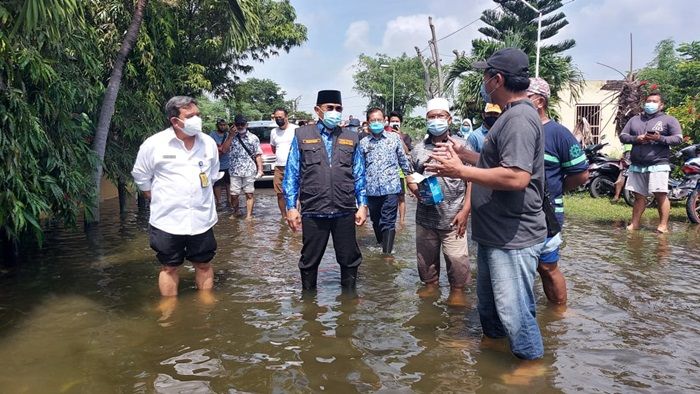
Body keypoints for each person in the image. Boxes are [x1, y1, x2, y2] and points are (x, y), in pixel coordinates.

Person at [427, 48, 547, 360]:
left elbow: (517, 177)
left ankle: (530, 366)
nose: (483, 82)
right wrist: (467, 157)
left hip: (513, 236)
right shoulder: (509, 116)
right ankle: (492, 350)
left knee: (515, 310)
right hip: (495, 232)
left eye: (485, 76)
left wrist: (460, 171)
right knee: (491, 308)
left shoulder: (519, 118)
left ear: (497, 79)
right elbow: (497, 163)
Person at [131, 96, 219, 297]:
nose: (197, 119)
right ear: (175, 121)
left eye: (198, 114)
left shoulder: (208, 143)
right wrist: (160, 199)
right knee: (169, 267)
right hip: (167, 220)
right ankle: (169, 310)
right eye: (190, 116)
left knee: (204, 264)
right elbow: (141, 176)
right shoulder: (155, 144)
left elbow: (212, 176)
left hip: (202, 219)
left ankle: (206, 307)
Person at [283, 90, 368, 291]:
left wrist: (362, 204)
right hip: (314, 208)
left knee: (349, 259)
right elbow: (292, 172)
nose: (334, 112)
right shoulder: (303, 135)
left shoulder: (351, 137)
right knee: (309, 260)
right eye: (329, 108)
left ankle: (348, 308)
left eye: (338, 109)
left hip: (344, 208)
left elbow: (359, 173)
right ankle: (309, 308)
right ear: (317, 110)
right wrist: (291, 207)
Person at [527, 77, 589, 305]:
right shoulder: (518, 128)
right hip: (520, 211)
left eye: (525, 97)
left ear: (540, 101)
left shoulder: (558, 134)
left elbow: (581, 173)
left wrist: (557, 189)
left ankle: (559, 312)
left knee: (547, 265)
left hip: (548, 212)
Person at [406, 97, 472, 307]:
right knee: (426, 261)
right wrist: (416, 190)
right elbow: (411, 176)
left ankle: (458, 291)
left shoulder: (461, 147)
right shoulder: (418, 149)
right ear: (426, 119)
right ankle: (431, 286)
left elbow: (472, 181)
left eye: (440, 116)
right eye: (432, 117)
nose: (436, 120)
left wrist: (466, 211)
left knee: (457, 260)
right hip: (426, 217)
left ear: (449, 119)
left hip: (454, 217)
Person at [619, 91, 683, 233]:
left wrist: (660, 138)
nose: (650, 104)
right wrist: (637, 139)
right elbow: (623, 136)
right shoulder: (635, 119)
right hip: (637, 164)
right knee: (638, 196)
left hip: (658, 163)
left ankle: (663, 225)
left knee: (660, 194)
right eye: (648, 101)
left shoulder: (669, 120)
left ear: (661, 105)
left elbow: (678, 138)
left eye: (654, 101)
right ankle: (634, 224)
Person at [359, 107, 413, 254]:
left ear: (385, 121)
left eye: (379, 120)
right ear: (368, 123)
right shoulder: (363, 143)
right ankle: (381, 243)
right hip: (371, 190)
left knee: (388, 221)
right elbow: (359, 168)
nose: (376, 123)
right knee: (376, 221)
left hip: (391, 188)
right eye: (373, 120)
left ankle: (387, 254)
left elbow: (403, 160)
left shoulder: (394, 138)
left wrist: (411, 180)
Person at [227, 114, 263, 220]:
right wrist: (230, 136)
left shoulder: (253, 138)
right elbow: (223, 150)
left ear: (246, 125)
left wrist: (260, 169)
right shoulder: (230, 137)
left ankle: (249, 216)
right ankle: (236, 211)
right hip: (234, 171)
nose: (240, 126)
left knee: (249, 194)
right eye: (238, 124)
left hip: (249, 170)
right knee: (233, 194)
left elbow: (258, 154)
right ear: (234, 125)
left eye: (242, 124)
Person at [270, 107, 299, 219]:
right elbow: (273, 148)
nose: (278, 119)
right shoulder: (273, 132)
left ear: (286, 117)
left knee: (296, 192)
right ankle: (284, 217)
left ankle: (296, 214)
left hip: (294, 166)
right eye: (276, 118)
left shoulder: (296, 129)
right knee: (279, 193)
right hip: (279, 167)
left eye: (280, 117)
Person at [388, 111, 412, 224]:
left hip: (400, 172)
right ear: (388, 122)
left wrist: (399, 137)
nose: (394, 123)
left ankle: (402, 221)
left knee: (401, 197)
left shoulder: (405, 136)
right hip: (388, 172)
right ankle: (391, 220)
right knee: (389, 197)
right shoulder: (384, 135)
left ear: (400, 123)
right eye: (392, 121)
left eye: (397, 121)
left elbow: (407, 152)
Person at [208, 118, 233, 208]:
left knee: (228, 183)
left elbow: (230, 147)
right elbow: (211, 146)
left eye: (224, 125)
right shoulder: (212, 135)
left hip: (228, 163)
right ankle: (218, 202)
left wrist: (222, 148)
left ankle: (229, 201)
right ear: (217, 125)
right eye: (221, 125)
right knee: (217, 184)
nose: (222, 127)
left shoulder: (228, 135)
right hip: (216, 164)